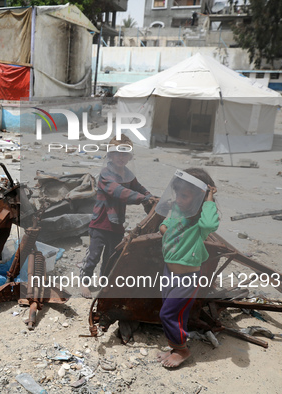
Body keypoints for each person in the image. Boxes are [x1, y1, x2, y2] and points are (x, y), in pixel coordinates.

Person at [156, 168, 219, 368]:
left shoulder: (200, 223)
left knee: (168, 313)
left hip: (187, 277)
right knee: (176, 313)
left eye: (185, 196)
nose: (179, 199)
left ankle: (182, 350)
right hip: (169, 272)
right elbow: (166, 223)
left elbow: (210, 222)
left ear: (198, 198)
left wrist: (209, 198)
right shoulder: (178, 211)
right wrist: (164, 228)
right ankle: (176, 345)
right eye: (177, 194)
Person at [79, 135, 154, 299]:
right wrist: (143, 198)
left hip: (117, 223)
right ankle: (84, 281)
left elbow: (138, 187)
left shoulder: (128, 174)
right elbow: (119, 192)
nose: (121, 157)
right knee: (94, 254)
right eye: (117, 154)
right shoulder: (106, 174)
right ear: (110, 156)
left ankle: (104, 280)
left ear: (129, 157)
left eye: (125, 154)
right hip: (100, 223)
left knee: (111, 256)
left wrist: (150, 195)